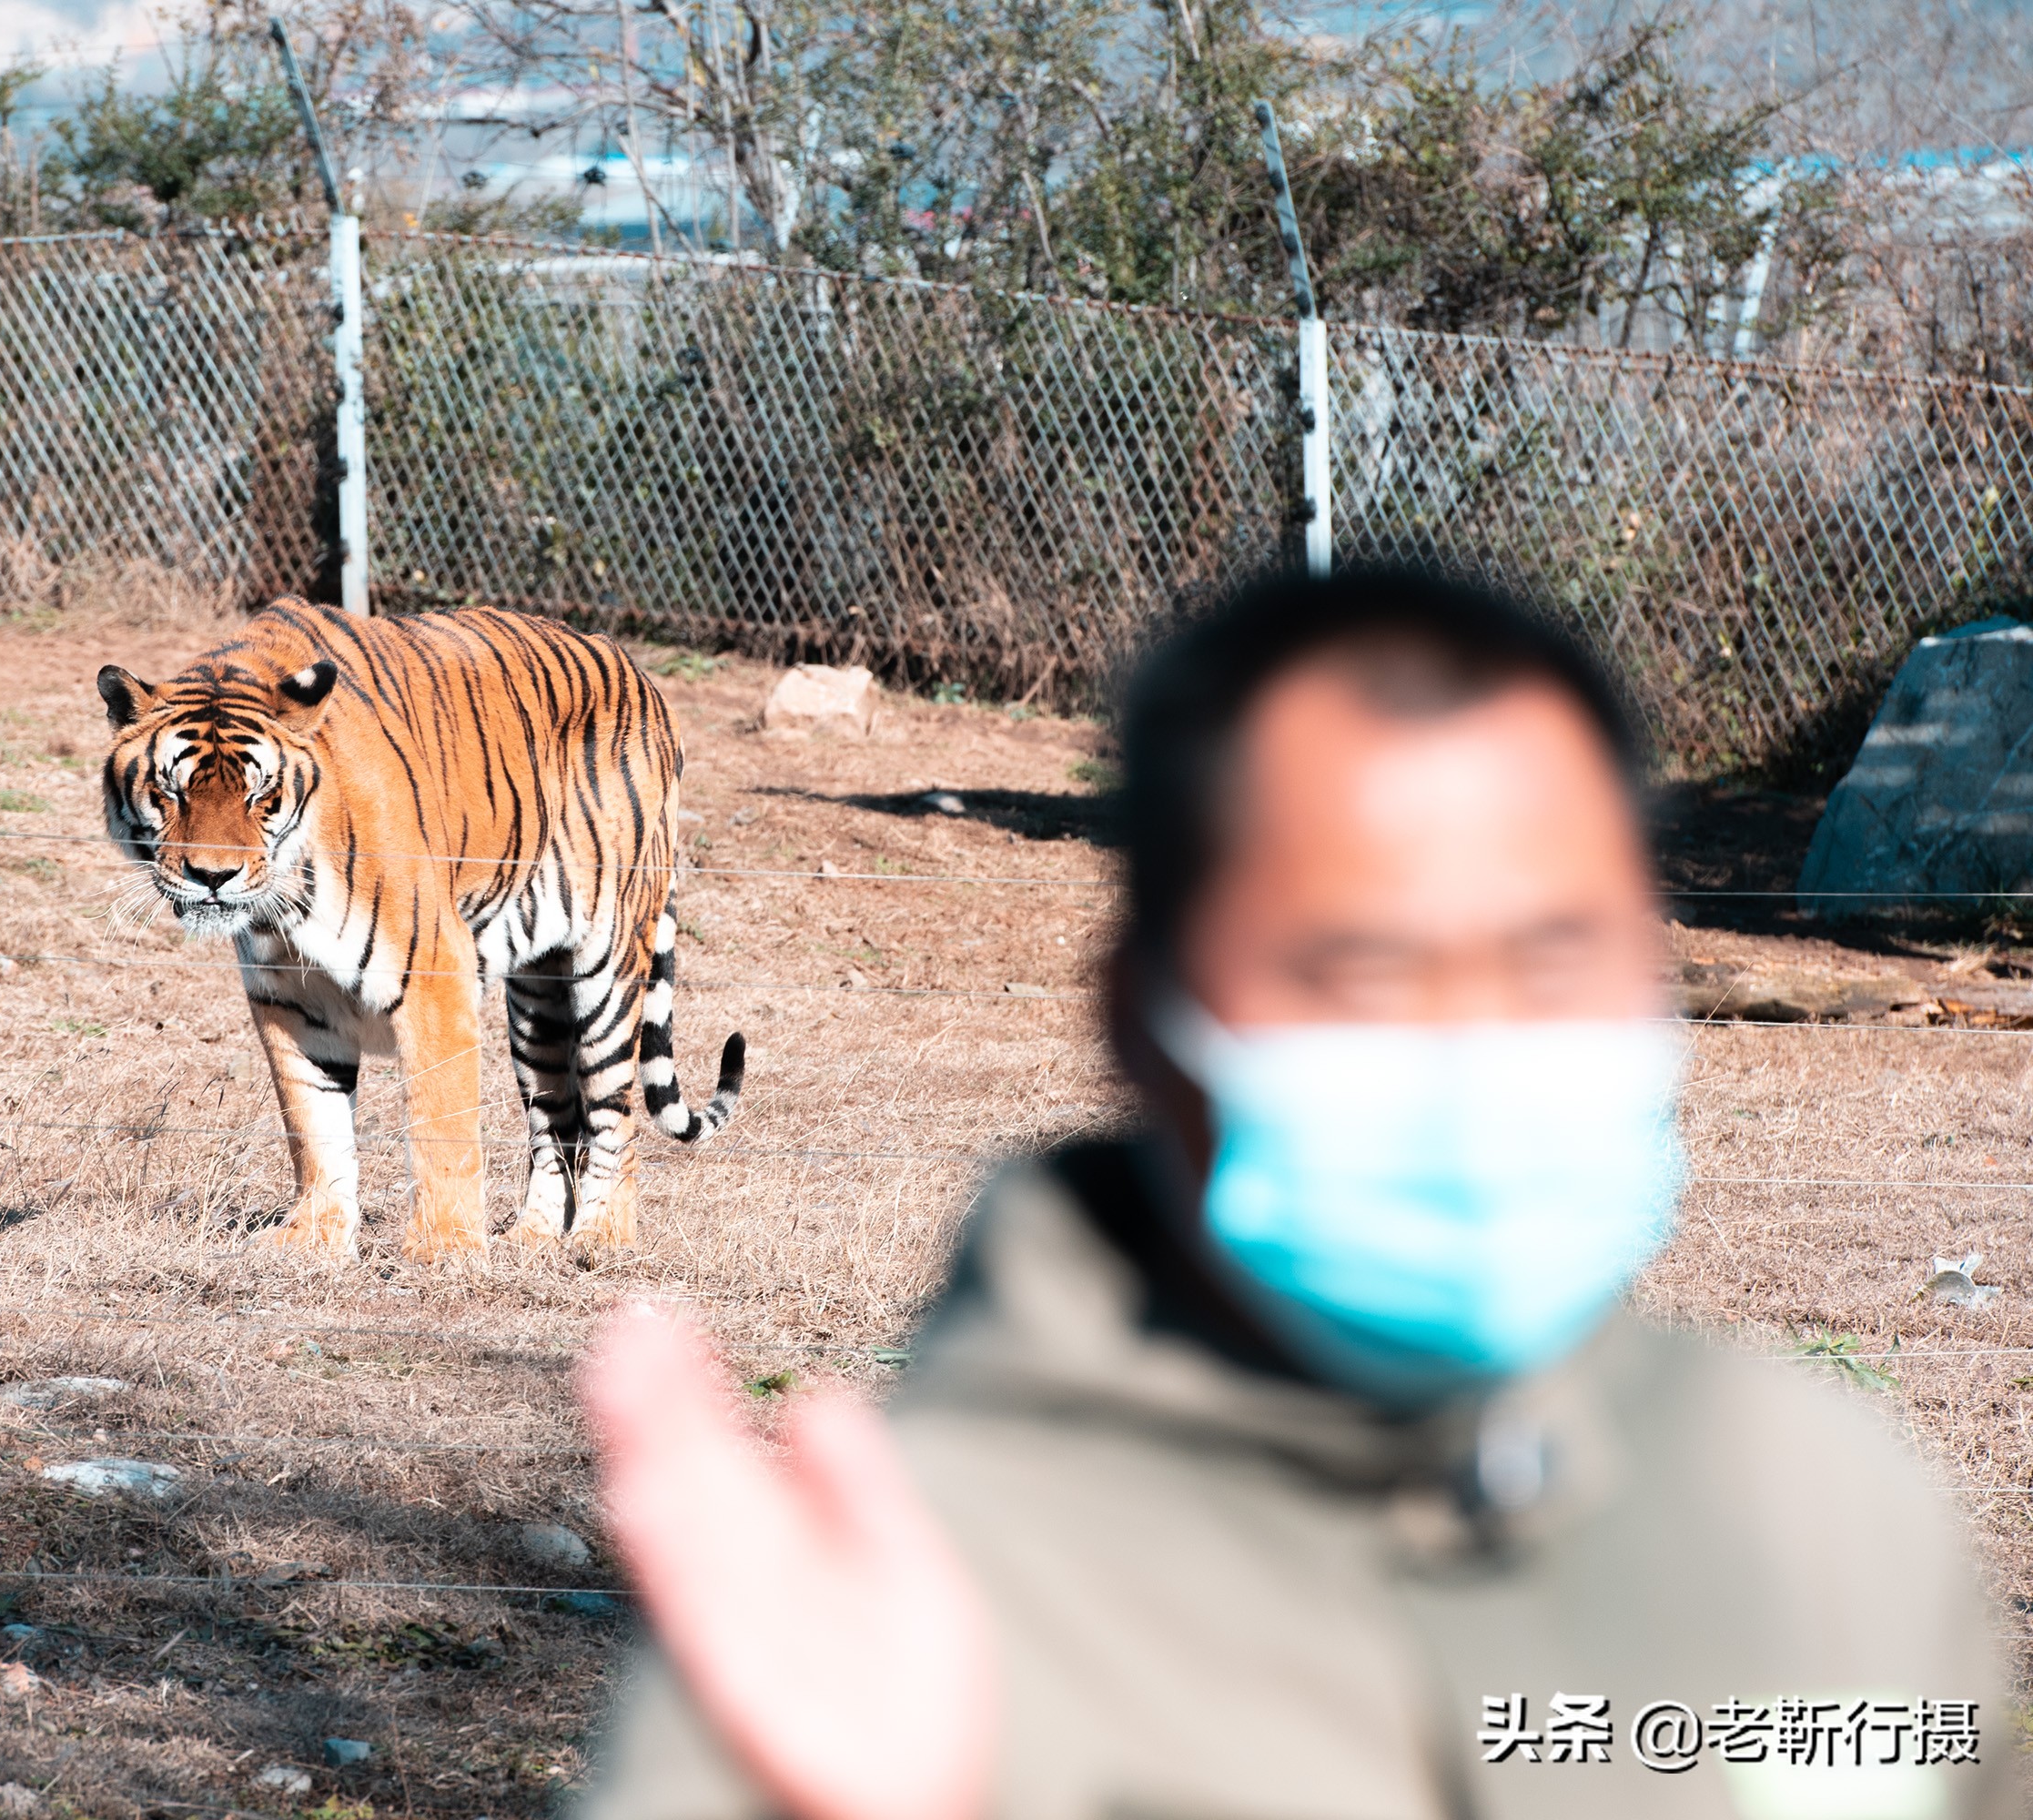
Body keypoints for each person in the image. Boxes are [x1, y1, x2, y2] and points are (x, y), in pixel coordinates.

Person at [573, 566, 2015, 1820]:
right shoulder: (896, 1604)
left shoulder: (1805, 1487)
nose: (1477, 1048)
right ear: (1140, 1015)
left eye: (1557, 954)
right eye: (1362, 971)